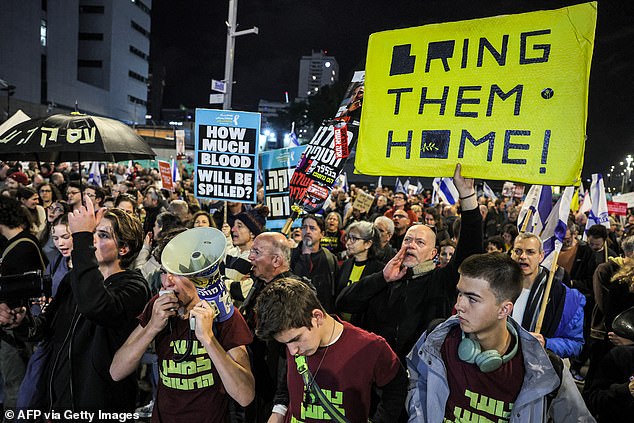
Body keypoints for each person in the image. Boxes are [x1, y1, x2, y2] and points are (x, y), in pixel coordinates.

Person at [0, 196, 150, 413]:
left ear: (124, 248)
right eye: (93, 233)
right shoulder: (74, 279)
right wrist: (21, 322)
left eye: (103, 235)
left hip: (102, 405)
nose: (92, 241)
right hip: (61, 399)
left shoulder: (134, 286)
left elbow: (95, 306)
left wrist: (81, 238)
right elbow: (45, 328)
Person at [406, 253, 595, 422]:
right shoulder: (437, 339)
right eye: (460, 294)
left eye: (472, 298)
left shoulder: (545, 369)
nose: (459, 305)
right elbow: (417, 382)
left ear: (504, 309)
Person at [336, 164, 482, 362]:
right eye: (408, 240)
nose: (411, 245)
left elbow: (470, 249)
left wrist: (466, 196)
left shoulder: (441, 280)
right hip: (379, 372)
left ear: (433, 253)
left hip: (420, 375)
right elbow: (344, 303)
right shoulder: (386, 274)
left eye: (420, 242)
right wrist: (382, 279)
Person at [109, 229, 255, 423]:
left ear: (197, 273)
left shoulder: (225, 314)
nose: (167, 282)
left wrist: (208, 339)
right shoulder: (157, 307)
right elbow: (116, 371)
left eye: (176, 273)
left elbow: (245, 395)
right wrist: (152, 326)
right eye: (164, 272)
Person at [255, 278, 407, 423]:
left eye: (295, 339)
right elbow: (289, 378)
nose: (293, 351)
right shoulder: (296, 340)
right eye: (285, 343)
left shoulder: (371, 347)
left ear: (317, 317)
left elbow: (396, 386)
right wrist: (279, 411)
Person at [0, 196, 47, 412]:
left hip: (15, 325)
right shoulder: (22, 242)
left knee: (17, 384)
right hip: (16, 326)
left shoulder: (22, 247)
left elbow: (23, 292)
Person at [510, 232, 585, 358]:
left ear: (541, 256)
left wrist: (547, 343)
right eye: (517, 251)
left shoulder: (566, 297)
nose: (522, 256)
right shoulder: (496, 287)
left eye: (530, 252)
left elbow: (576, 344)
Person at [291, 214, 339, 313]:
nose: (307, 231)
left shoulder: (330, 259)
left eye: (312, 228)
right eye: (304, 227)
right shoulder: (290, 256)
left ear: (322, 234)